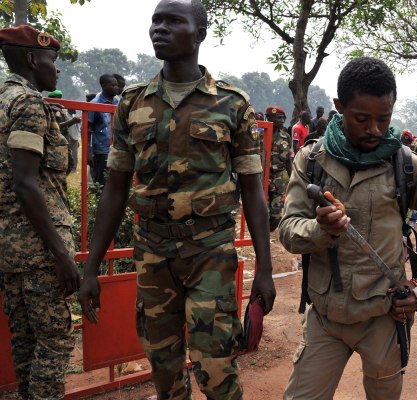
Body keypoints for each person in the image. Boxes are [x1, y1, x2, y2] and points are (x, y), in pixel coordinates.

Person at [78, 0, 276, 398]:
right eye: (155, 21)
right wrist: (91, 267)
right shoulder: (133, 103)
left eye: (172, 21)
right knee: (164, 369)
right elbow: (116, 187)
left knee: (217, 367)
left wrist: (266, 271)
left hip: (209, 253)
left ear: (200, 33)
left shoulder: (231, 104)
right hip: (153, 254)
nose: (159, 28)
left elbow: (253, 192)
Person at [279, 56, 417, 400]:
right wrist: (320, 230)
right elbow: (288, 231)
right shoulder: (311, 161)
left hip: (384, 317)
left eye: (384, 118)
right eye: (362, 118)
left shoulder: (407, 165)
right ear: (339, 107)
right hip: (326, 318)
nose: (375, 129)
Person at [0, 25, 80, 399]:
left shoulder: (4, 98)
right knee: (54, 343)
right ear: (33, 59)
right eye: (52, 60)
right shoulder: (29, 103)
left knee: (26, 341)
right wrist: (61, 255)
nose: (57, 69)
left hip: (10, 251)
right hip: (39, 251)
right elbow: (26, 182)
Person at [87, 74, 119, 187]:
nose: (117, 87)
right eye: (113, 85)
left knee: (115, 182)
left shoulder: (117, 103)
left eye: (117, 85)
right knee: (101, 183)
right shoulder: (94, 104)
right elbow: (86, 129)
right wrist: (88, 152)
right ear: (104, 85)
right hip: (102, 151)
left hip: (117, 148)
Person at [264, 105, 292, 231]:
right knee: (262, 211)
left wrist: (292, 178)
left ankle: (268, 230)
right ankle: (262, 236)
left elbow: (288, 161)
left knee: (277, 215)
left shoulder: (286, 137)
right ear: (269, 118)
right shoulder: (259, 134)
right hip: (262, 177)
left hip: (278, 178)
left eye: (283, 118)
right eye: (278, 118)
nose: (281, 120)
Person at [47, 89, 81, 174]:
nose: (61, 99)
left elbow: (65, 126)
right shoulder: (54, 110)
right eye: (59, 97)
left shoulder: (61, 110)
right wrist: (72, 121)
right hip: (57, 140)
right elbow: (56, 126)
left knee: (69, 163)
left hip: (65, 139)